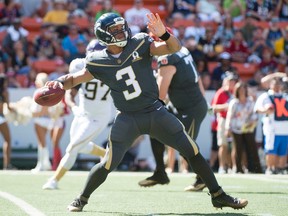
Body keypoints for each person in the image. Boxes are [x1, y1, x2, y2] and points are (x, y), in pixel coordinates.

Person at [45, 12, 248, 212]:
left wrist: (165, 34)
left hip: (155, 111)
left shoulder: (140, 43)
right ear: (103, 35)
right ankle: (81, 199)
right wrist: (59, 83)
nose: (122, 31)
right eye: (115, 30)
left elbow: (174, 47)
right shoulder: (98, 60)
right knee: (107, 163)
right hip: (127, 118)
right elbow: (74, 79)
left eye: (121, 26)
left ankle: (218, 195)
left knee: (191, 150)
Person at [138, 30, 209, 192]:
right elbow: (197, 80)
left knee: (185, 146)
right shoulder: (182, 50)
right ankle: (160, 172)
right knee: (154, 127)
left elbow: (161, 94)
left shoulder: (167, 58)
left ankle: (203, 178)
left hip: (190, 108)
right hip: (184, 105)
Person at [42, 57, 112, 189]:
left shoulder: (112, 66)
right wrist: (74, 107)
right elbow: (70, 93)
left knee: (73, 148)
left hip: (99, 117)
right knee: (81, 146)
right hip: (82, 114)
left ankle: (54, 180)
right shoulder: (81, 65)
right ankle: (105, 154)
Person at [31, 73, 65, 173]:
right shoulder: (52, 93)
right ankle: (46, 164)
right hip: (50, 120)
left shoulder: (38, 92)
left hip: (40, 120)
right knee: (49, 143)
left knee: (42, 143)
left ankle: (42, 164)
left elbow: (35, 112)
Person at [0, 73, 15, 170]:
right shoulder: (5, 92)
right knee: (8, 140)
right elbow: (9, 108)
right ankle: (7, 165)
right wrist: (17, 110)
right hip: (1, 118)